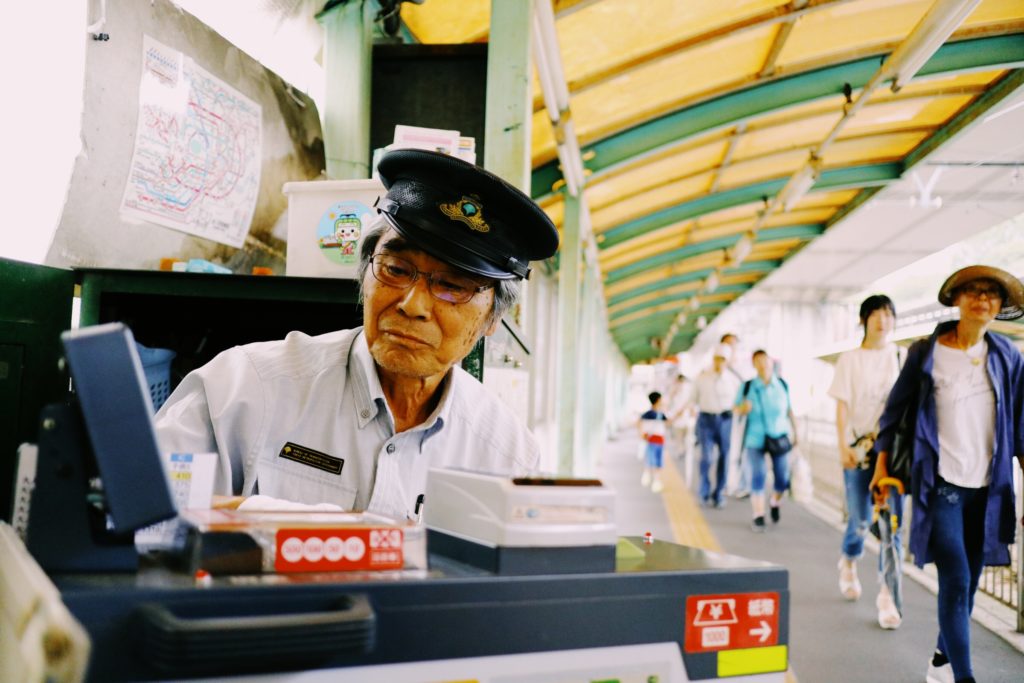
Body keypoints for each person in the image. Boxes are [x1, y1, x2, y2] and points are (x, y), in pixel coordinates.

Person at [153, 149, 560, 521]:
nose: (412, 304)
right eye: (396, 270)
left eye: (452, 286)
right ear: (366, 273)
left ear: (492, 318)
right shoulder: (244, 387)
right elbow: (145, 512)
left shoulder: (506, 456)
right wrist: (311, 524)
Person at [870, 265, 1024, 683]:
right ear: (957, 300)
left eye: (991, 294)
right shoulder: (926, 353)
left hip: (988, 490)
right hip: (941, 486)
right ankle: (964, 677)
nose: (982, 299)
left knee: (971, 582)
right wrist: (882, 467)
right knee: (956, 578)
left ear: (1000, 306)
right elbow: (893, 413)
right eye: (972, 291)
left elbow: (1022, 428)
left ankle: (942, 654)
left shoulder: (1009, 356)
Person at [828, 294, 904, 629]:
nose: (882, 320)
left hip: (892, 453)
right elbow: (842, 406)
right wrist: (842, 445)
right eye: (876, 313)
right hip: (859, 450)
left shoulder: (900, 356)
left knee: (891, 526)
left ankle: (887, 597)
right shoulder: (850, 359)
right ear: (864, 319)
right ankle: (849, 558)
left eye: (888, 314)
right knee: (859, 518)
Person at [735, 350, 798, 532]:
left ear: (771, 362)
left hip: (779, 437)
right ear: (754, 365)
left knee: (782, 479)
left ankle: (775, 501)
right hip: (755, 438)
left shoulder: (782, 385)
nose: (762, 364)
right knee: (758, 475)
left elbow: (790, 410)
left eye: (765, 360)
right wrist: (742, 408)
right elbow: (735, 409)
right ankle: (758, 515)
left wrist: (797, 432)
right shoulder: (747, 387)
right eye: (758, 361)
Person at [693, 345, 740, 507]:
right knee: (706, 457)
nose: (719, 362)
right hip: (706, 420)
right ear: (713, 359)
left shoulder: (733, 381)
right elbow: (693, 399)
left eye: (723, 359)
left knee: (725, 457)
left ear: (727, 361)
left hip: (726, 420)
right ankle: (704, 491)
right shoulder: (702, 378)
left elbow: (738, 403)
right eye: (717, 359)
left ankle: (719, 492)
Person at [638, 392, 669, 493]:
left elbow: (639, 422)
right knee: (656, 462)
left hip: (654, 441)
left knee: (652, 460)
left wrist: (641, 434)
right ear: (658, 400)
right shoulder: (659, 414)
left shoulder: (648, 413)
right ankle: (654, 480)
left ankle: (652, 478)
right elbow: (669, 422)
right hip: (656, 440)